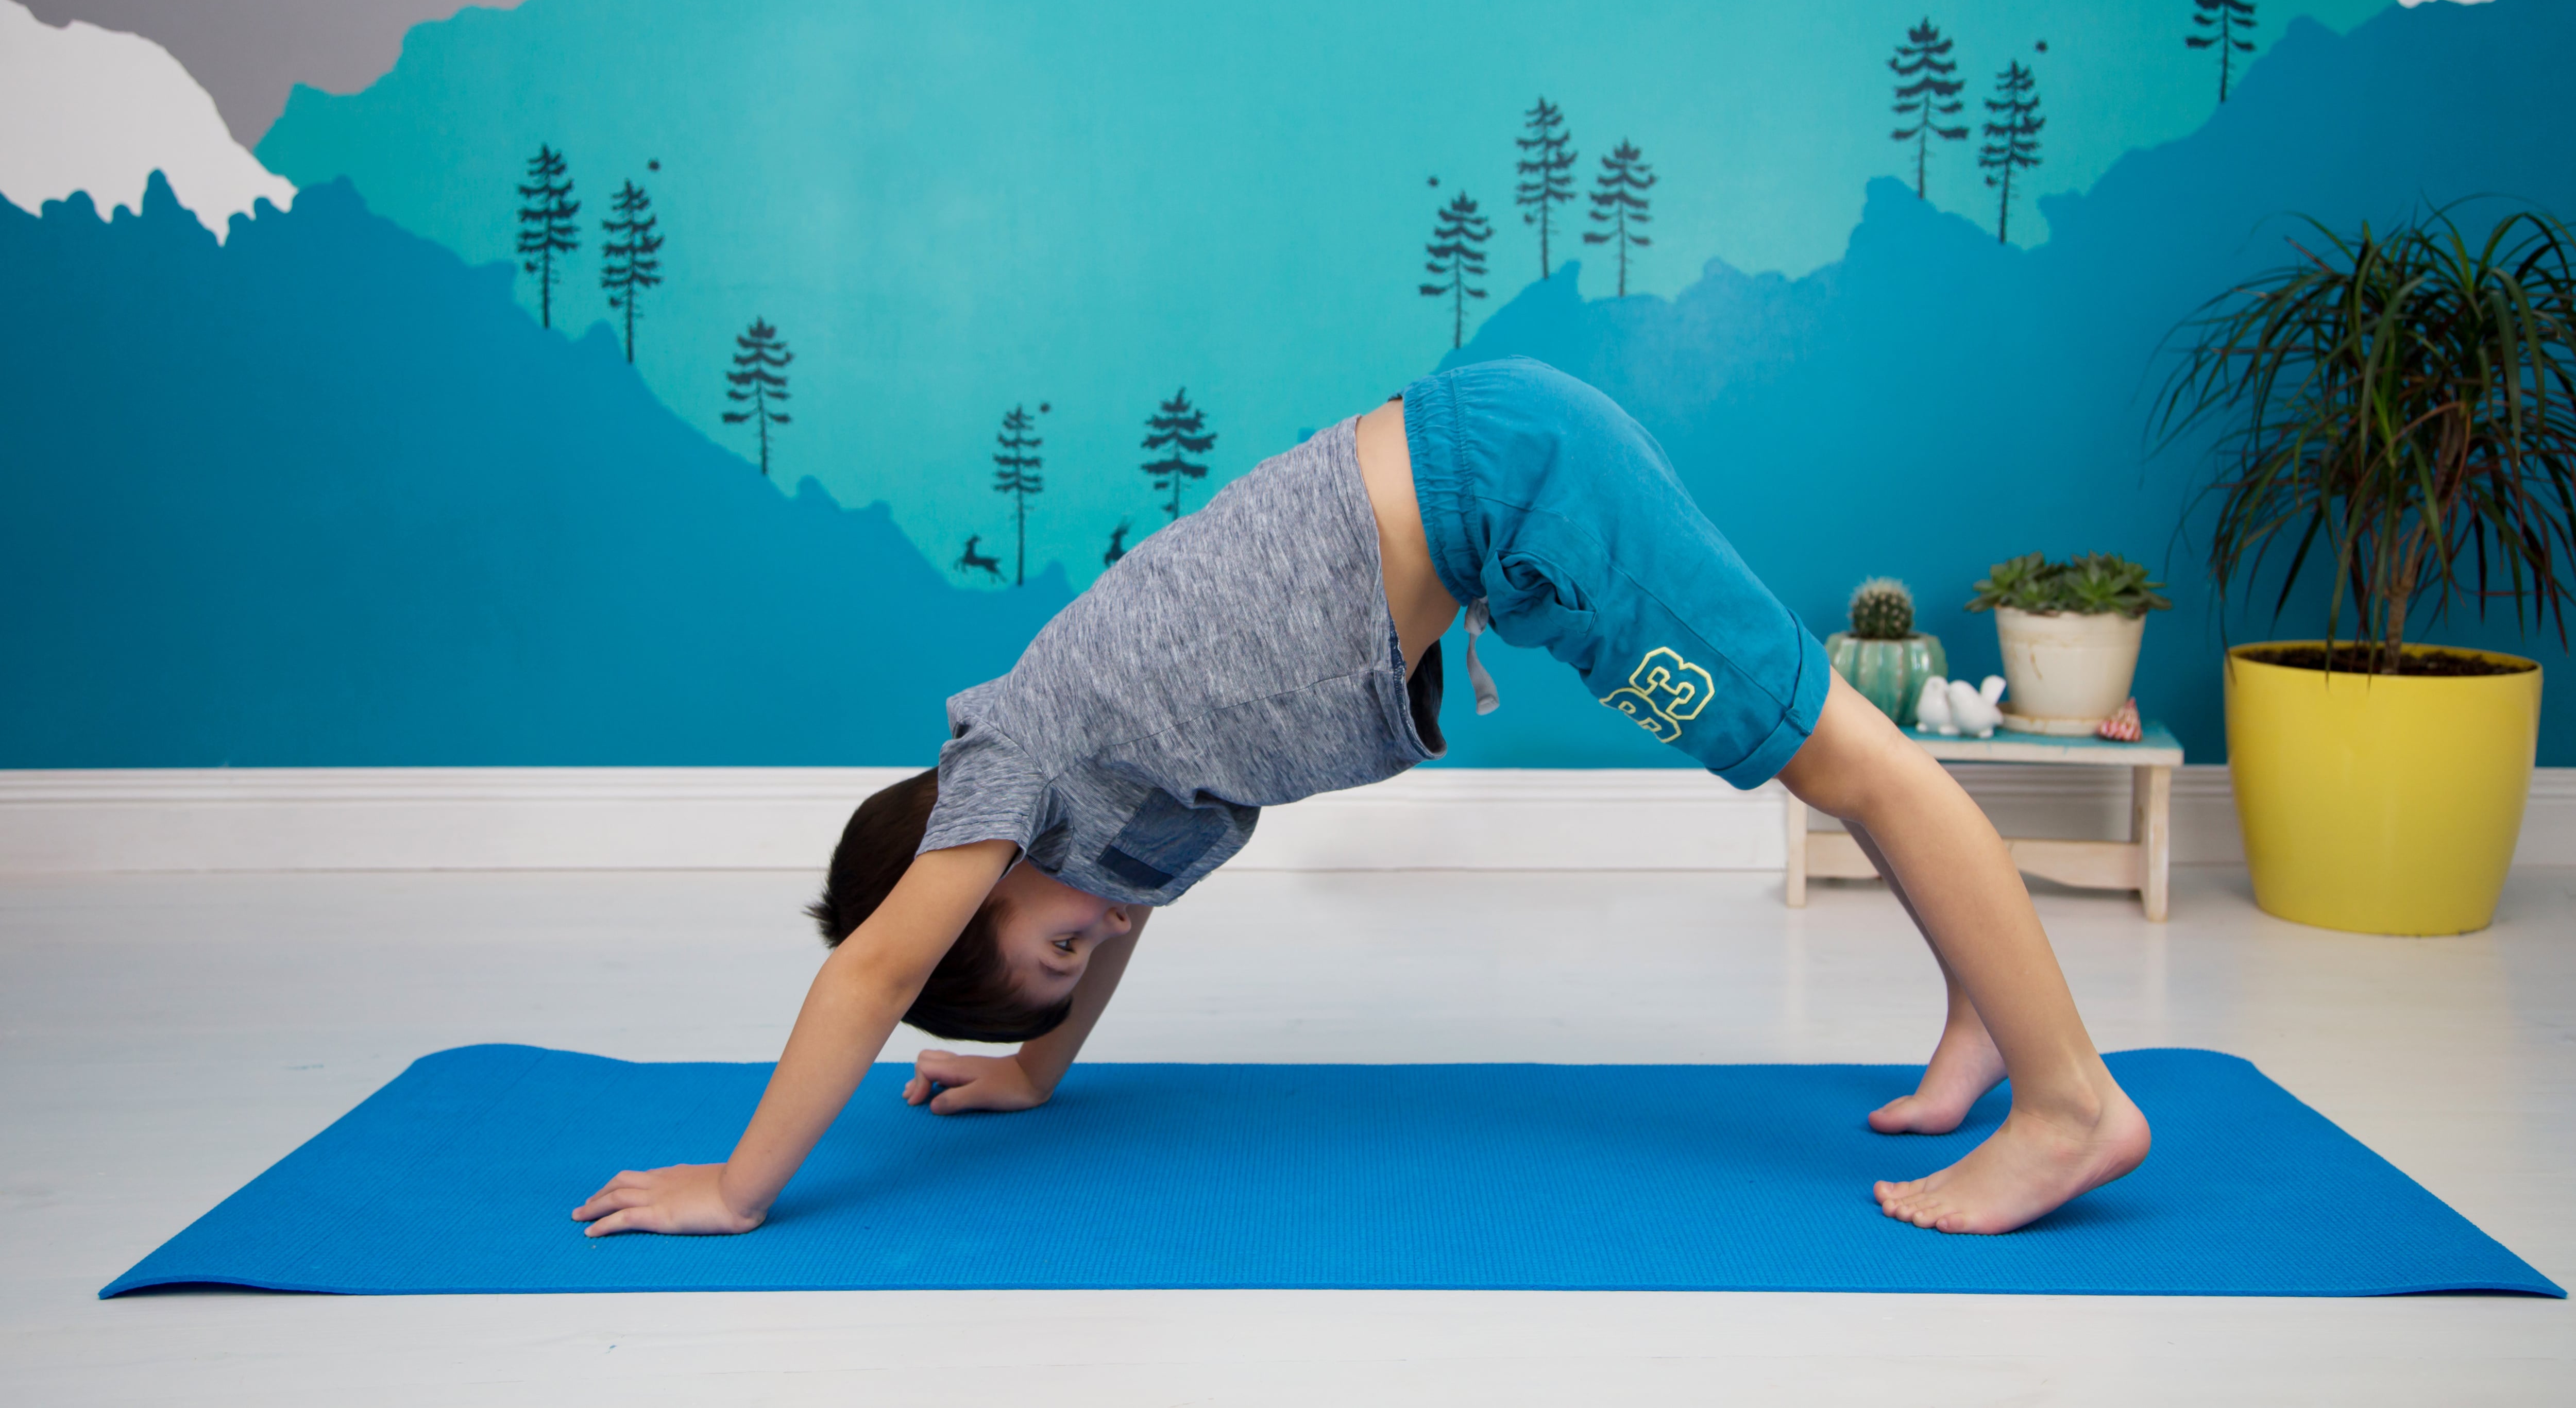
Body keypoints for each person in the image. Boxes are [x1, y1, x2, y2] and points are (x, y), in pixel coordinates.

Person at [573, 358, 2149, 1241]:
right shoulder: (1112, 825)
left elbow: (875, 968)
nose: (1102, 938)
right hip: (1500, 504)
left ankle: (2072, 1100)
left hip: (1517, 496)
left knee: (1845, 761)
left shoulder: (1016, 754)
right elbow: (1101, 925)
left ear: (977, 868)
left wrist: (737, 1185)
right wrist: (1041, 1073)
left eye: (1052, 951)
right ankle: (1984, 1027)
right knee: (1829, 768)